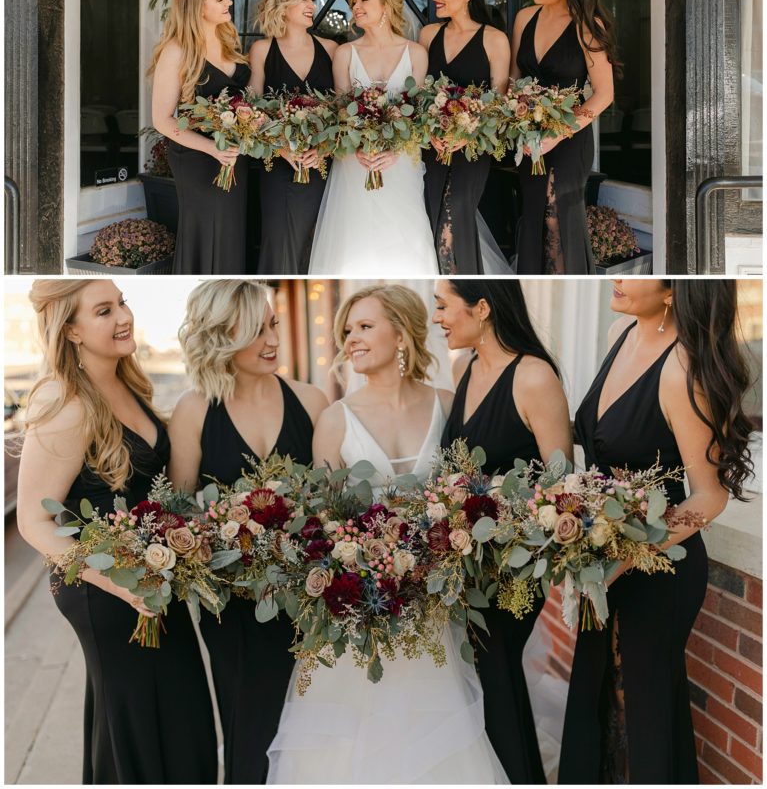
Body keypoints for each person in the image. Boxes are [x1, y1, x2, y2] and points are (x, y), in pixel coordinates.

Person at [267, 284, 507, 784]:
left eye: (365, 326)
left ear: (401, 334)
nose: (350, 338)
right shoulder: (335, 421)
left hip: (431, 612)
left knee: (432, 741)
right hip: (362, 614)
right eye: (347, 330)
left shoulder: (449, 405)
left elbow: (467, 494)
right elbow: (322, 526)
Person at [16, 279, 217, 785]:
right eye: (103, 311)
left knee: (182, 714)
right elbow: (33, 521)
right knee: (137, 723)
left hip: (150, 579)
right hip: (102, 588)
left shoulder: (128, 383)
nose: (123, 316)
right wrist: (123, 584)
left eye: (122, 302)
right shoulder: (67, 404)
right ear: (73, 331)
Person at [558, 279, 754, 784]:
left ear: (673, 292)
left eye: (640, 275)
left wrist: (623, 556)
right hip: (603, 562)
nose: (618, 279)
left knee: (639, 713)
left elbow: (709, 496)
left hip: (658, 571)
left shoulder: (682, 370)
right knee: (598, 697)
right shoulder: (618, 334)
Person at [168, 279, 327, 784]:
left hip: (309, 601)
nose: (272, 340)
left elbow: (330, 507)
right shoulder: (195, 410)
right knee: (251, 731)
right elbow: (178, 511)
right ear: (221, 337)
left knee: (314, 729)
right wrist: (224, 533)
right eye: (255, 331)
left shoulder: (312, 401)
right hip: (232, 608)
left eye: (274, 324)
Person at [432, 279, 573, 783]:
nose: (437, 318)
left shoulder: (533, 377)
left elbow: (561, 487)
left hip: (514, 568)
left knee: (493, 673)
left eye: (443, 306)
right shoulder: (463, 368)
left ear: (484, 307)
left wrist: (502, 520)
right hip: (464, 564)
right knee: (482, 682)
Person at [308, 0, 438, 275]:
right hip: (355, 164)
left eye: (363, 0)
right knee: (354, 243)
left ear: (387, 6)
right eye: (353, 1)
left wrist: (395, 153)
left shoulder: (416, 53)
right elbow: (341, 115)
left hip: (401, 164)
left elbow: (417, 116)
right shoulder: (345, 54)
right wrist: (355, 151)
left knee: (404, 241)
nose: (355, 7)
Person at [510, 0, 619, 274]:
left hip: (570, 139)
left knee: (559, 218)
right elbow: (515, 79)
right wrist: (514, 114)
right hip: (529, 135)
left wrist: (557, 135)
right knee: (534, 215)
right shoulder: (524, 18)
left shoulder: (587, 25)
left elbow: (604, 94)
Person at [150, 0, 250, 274]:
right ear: (197, 6)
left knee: (233, 234)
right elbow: (163, 120)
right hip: (198, 158)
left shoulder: (229, 40)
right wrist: (212, 149)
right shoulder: (176, 51)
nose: (229, 3)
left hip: (234, 156)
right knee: (207, 233)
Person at [420, 0, 511, 274]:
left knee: (454, 216)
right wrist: (430, 131)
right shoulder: (429, 35)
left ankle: (463, 284)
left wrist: (465, 133)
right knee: (432, 218)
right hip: (432, 147)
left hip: (472, 148)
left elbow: (498, 104)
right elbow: (419, 95)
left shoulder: (494, 39)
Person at [248, 0, 337, 273]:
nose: (311, 4)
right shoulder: (262, 50)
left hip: (324, 169)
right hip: (277, 168)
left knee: (319, 246)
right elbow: (250, 112)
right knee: (279, 244)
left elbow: (343, 114)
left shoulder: (331, 49)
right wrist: (281, 147)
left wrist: (324, 149)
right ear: (282, 4)